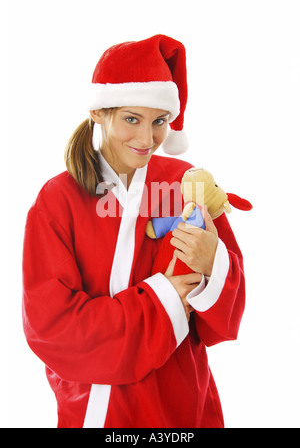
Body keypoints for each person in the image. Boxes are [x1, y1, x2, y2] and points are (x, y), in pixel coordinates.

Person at [22, 34, 245, 428]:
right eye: (131, 119)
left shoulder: (186, 184)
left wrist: (215, 264)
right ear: (98, 114)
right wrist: (164, 301)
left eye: (159, 121)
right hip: (97, 414)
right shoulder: (57, 200)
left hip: (183, 411)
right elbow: (52, 330)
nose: (146, 140)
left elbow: (224, 323)